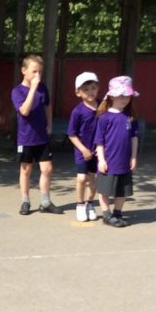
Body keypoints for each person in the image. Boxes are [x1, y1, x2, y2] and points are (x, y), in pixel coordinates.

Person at [11, 53, 62, 215]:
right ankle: (25, 201)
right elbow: (24, 111)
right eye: (34, 71)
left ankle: (45, 202)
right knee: (26, 169)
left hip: (42, 136)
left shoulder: (43, 88)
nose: (37, 75)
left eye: (40, 72)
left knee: (47, 169)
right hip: (26, 137)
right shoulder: (17, 91)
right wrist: (32, 89)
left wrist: (50, 124)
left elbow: (47, 106)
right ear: (24, 71)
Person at [93, 76, 139, 227]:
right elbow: (99, 141)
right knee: (104, 190)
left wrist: (133, 156)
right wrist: (101, 160)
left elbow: (134, 138)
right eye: (121, 95)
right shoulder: (104, 117)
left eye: (127, 96)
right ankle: (106, 214)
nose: (124, 99)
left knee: (122, 190)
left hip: (124, 161)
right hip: (109, 161)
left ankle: (117, 213)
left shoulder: (130, 117)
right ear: (112, 96)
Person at [66, 71, 100, 221]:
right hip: (82, 150)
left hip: (98, 151)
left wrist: (101, 147)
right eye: (86, 89)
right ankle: (80, 205)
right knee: (81, 178)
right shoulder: (77, 111)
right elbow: (71, 134)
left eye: (93, 88)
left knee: (94, 179)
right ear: (78, 92)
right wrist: (83, 149)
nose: (90, 92)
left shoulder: (103, 107)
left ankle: (89, 204)